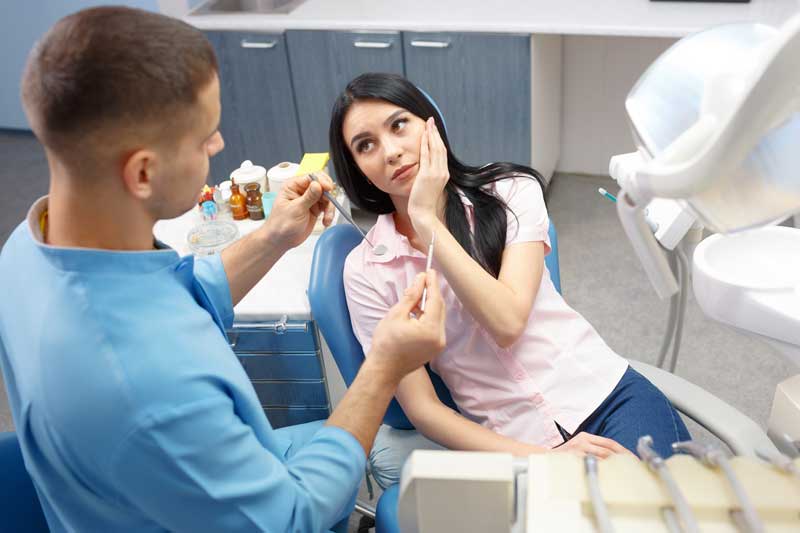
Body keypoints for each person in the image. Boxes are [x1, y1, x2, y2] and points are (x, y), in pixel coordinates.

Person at [0, 9, 447, 533]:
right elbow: (292, 518)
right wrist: (385, 364)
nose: (218, 146)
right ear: (143, 172)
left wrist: (273, 237)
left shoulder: (31, 247)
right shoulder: (144, 384)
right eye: (204, 137)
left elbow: (176, 296)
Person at [330, 72, 691, 488]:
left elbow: (507, 321)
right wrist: (544, 460)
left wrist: (428, 221)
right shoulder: (367, 271)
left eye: (398, 125)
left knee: (660, 512)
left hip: (609, 395)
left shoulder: (510, 192)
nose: (391, 152)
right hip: (516, 446)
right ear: (355, 167)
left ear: (430, 125)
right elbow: (423, 409)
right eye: (366, 145)